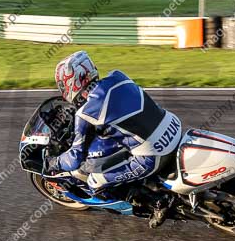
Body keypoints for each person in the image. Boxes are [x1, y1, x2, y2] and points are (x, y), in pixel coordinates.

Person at [45, 51, 183, 228]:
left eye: (63, 86)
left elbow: (75, 158)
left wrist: (53, 163)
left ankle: (158, 201)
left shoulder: (85, 113)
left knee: (95, 182)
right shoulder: (118, 76)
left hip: (154, 153)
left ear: (72, 82)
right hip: (172, 125)